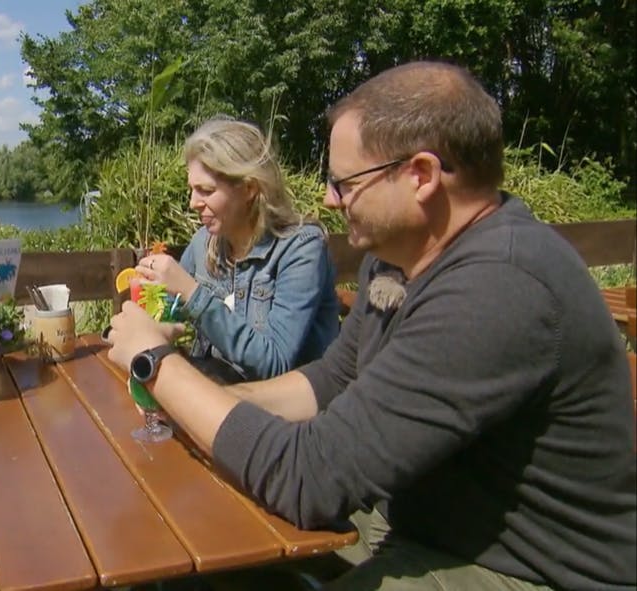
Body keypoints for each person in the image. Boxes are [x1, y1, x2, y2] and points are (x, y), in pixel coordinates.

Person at [106, 62, 636, 589]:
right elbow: (328, 381)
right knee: (199, 540)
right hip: (413, 515)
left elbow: (310, 477)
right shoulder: (398, 258)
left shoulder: (500, 285)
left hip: (522, 569)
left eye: (346, 182)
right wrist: (194, 410)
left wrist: (156, 365)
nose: (332, 200)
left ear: (421, 176)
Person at [134, 117, 339, 382]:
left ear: (249, 189)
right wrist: (155, 313)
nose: (193, 203)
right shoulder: (203, 243)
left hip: (283, 412)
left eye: (205, 190)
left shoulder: (301, 248)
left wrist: (190, 292)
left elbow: (274, 363)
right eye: (191, 190)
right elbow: (170, 314)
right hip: (219, 392)